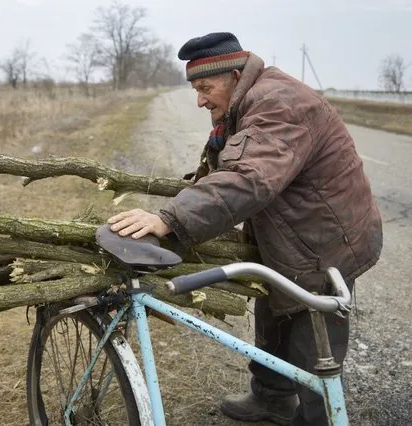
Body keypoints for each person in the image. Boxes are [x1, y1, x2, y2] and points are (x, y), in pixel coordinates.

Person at [108, 32, 382, 425]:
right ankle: (271, 399)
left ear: (234, 76)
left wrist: (170, 219)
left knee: (313, 349)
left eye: (205, 88)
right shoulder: (245, 100)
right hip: (290, 234)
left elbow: (249, 177)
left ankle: (319, 418)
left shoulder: (278, 103)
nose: (200, 100)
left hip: (323, 242)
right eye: (195, 89)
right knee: (273, 312)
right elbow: (223, 169)